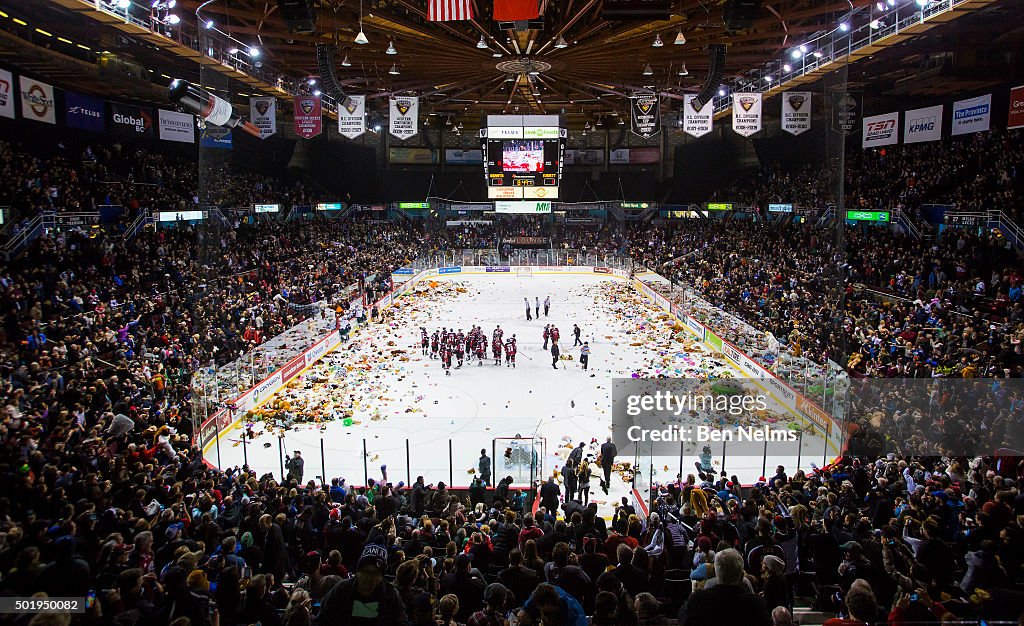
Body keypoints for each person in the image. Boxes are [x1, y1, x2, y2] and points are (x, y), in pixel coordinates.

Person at [314, 544, 410, 626]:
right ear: (358, 571)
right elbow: (321, 620)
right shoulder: (341, 590)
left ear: (382, 576)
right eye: (365, 571)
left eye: (375, 573)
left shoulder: (391, 595)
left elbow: (402, 622)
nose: (369, 577)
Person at [678, 549, 770, 626]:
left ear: (716, 575)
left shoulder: (698, 599)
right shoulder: (756, 604)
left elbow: (682, 619)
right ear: (742, 576)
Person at [440, 553, 486, 622]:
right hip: (469, 619)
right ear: (468, 567)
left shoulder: (445, 579)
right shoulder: (477, 584)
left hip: (453, 618)